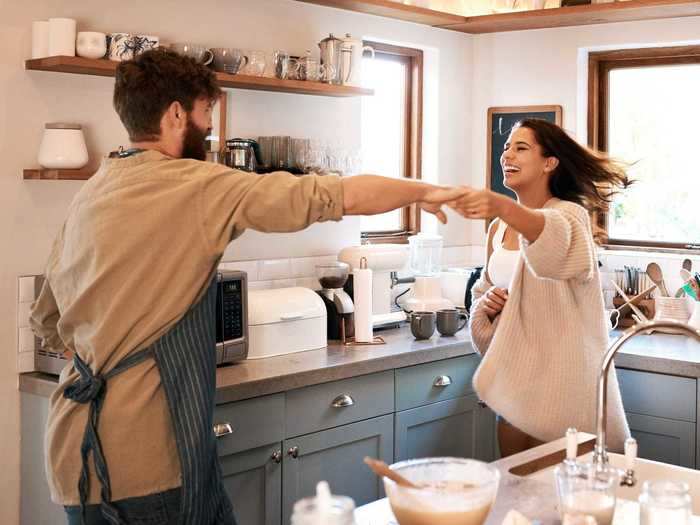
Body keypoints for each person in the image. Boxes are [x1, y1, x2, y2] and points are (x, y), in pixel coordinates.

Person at [29, 49, 467, 525]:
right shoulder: (196, 184)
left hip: (75, 455)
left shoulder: (95, 189)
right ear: (176, 113)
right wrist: (423, 191)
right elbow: (329, 196)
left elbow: (48, 320)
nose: (209, 127)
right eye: (205, 113)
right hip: (150, 460)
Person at [449, 118, 632, 457]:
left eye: (521, 148)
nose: (507, 155)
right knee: (517, 492)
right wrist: (485, 306)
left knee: (562, 498)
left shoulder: (570, 216)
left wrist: (503, 204)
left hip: (565, 384)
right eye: (506, 148)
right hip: (518, 380)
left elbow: (551, 251)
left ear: (550, 163)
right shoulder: (498, 228)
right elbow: (481, 294)